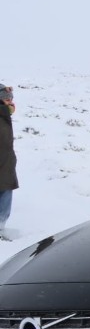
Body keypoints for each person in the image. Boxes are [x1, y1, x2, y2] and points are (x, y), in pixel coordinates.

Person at [0, 85, 18, 241]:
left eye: (11, 98)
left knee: (5, 192)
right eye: (6, 99)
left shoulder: (4, 115)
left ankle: (1, 227)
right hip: (2, 164)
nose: (10, 102)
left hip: (6, 163)